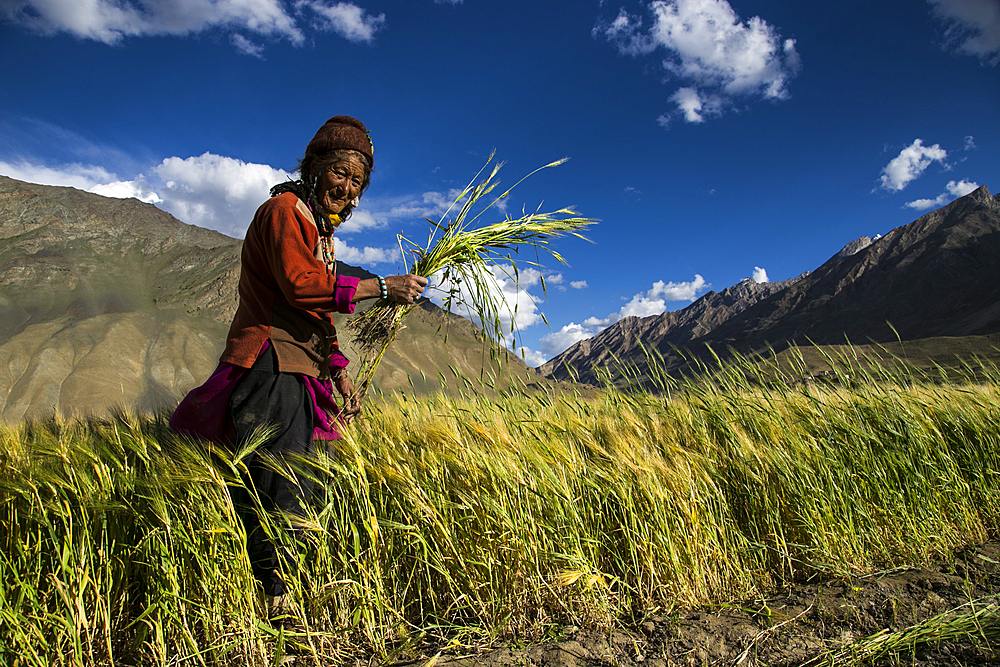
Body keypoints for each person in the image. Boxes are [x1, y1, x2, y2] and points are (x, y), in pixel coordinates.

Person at [170, 115, 427, 600]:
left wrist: (338, 370)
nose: (348, 190)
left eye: (358, 183)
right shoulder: (285, 212)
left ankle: (284, 591)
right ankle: (275, 602)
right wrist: (380, 287)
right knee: (279, 487)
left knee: (305, 483)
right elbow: (299, 285)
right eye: (340, 174)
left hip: (301, 367)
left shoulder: (318, 231)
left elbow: (316, 312)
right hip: (271, 365)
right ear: (314, 167)